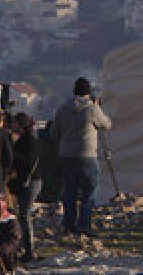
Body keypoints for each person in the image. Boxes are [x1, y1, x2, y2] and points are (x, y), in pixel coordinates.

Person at [50, 77, 112, 238]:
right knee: (89, 192)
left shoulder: (62, 108)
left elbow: (53, 133)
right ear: (88, 93)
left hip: (66, 155)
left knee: (69, 192)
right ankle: (84, 225)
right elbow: (106, 124)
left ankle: (69, 225)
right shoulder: (92, 108)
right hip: (86, 156)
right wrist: (98, 107)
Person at [9, 113, 43, 261]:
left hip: (32, 181)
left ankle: (30, 250)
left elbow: (27, 162)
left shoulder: (29, 141)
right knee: (23, 214)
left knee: (24, 214)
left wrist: (12, 153)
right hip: (31, 181)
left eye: (15, 124)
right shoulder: (26, 139)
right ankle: (26, 249)